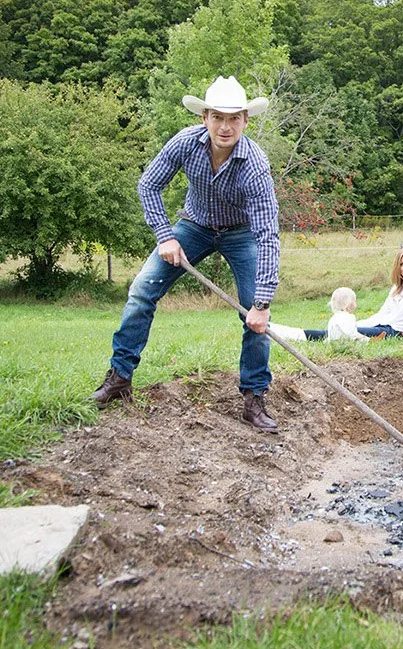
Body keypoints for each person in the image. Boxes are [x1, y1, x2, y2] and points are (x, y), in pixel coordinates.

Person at [90, 76, 283, 432]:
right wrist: (165, 236)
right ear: (204, 118)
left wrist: (263, 302)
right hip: (193, 226)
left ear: (245, 120)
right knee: (142, 291)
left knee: (255, 314)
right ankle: (119, 380)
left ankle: (254, 398)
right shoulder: (185, 143)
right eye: (217, 117)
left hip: (241, 234)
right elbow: (148, 185)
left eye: (234, 118)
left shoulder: (255, 166)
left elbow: (267, 235)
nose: (225, 127)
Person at [275, 248, 403, 341]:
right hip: (382, 326)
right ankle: (281, 332)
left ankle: (288, 334)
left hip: (395, 333)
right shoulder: (396, 288)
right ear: (397, 267)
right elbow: (383, 313)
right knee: (341, 331)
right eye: (402, 264)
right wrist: (358, 323)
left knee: (337, 335)